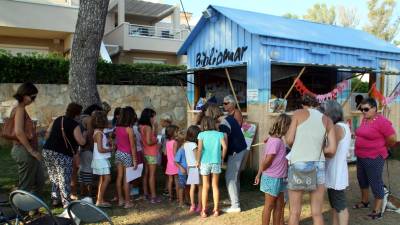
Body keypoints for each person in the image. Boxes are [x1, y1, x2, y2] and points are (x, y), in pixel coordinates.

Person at [285, 95, 337, 225]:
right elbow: (332, 149)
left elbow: (289, 140)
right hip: (318, 163)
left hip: (298, 162)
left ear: (303, 105)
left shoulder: (297, 114)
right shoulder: (327, 120)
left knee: (295, 212)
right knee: (317, 213)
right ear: (317, 104)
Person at [353, 98, 397, 219]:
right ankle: (365, 201)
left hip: (375, 156)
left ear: (374, 108)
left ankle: (377, 209)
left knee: (375, 181)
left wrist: (384, 145)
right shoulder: (365, 120)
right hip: (361, 155)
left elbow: (392, 138)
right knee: (362, 179)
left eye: (366, 109)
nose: (363, 111)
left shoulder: (382, 121)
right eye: (362, 109)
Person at [43, 103, 86, 208]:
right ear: (77, 114)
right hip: (62, 153)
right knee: (64, 177)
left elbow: (47, 134)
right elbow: (81, 142)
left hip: (48, 150)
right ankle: (66, 202)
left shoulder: (58, 119)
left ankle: (55, 199)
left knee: (54, 177)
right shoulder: (74, 125)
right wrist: (85, 134)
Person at [207, 104, 247, 213]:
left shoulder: (223, 124)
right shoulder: (228, 118)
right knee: (235, 177)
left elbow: (225, 142)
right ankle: (234, 199)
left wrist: (221, 159)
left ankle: (235, 205)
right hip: (242, 149)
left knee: (230, 177)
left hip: (236, 151)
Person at [254, 113, 291, 225]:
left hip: (280, 178)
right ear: (285, 126)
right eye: (289, 126)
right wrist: (261, 172)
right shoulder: (276, 141)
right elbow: (267, 159)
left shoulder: (276, 140)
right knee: (269, 206)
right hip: (272, 178)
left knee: (279, 206)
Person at [9, 82, 44, 194]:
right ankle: (20, 209)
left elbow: (23, 131)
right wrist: (32, 151)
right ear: (24, 96)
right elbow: (19, 132)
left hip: (24, 149)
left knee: (38, 181)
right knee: (26, 185)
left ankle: (31, 207)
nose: (33, 100)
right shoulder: (19, 109)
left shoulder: (19, 109)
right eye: (32, 97)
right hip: (24, 151)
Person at [321, 100, 351, 225]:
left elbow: (331, 151)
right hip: (335, 170)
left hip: (336, 172)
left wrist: (316, 149)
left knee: (340, 206)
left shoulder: (337, 127)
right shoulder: (341, 126)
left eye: (324, 113)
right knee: (335, 206)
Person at [197, 116, 227, 218]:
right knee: (215, 186)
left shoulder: (201, 134)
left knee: (205, 186)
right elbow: (225, 147)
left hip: (204, 162)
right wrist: (222, 158)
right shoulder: (219, 134)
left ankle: (204, 211)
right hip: (216, 162)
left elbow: (200, 149)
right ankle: (216, 210)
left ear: (204, 125)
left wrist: (197, 161)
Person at [77, 104, 103, 200]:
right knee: (88, 170)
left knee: (82, 170)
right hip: (87, 148)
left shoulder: (81, 118)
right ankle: (89, 192)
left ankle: (82, 191)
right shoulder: (89, 119)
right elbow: (90, 135)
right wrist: (93, 149)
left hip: (79, 148)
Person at [115, 107, 138, 209]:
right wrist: (135, 160)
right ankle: (127, 202)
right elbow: (133, 146)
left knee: (119, 177)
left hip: (118, 153)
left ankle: (120, 200)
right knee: (127, 179)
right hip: (127, 155)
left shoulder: (117, 127)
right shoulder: (129, 129)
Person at [91, 111, 113, 207]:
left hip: (100, 159)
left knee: (102, 179)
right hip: (101, 159)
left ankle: (100, 199)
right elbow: (100, 149)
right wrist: (110, 149)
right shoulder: (99, 133)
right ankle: (99, 200)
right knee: (107, 179)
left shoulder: (98, 132)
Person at [139, 108, 161, 203]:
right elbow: (149, 141)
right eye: (153, 116)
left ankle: (146, 193)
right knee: (152, 175)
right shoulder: (147, 127)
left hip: (145, 152)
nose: (154, 118)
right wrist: (157, 141)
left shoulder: (142, 126)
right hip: (151, 153)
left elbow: (150, 137)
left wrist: (155, 128)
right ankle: (153, 196)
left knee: (146, 174)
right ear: (149, 117)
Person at [184, 125, 202, 213]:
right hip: (196, 167)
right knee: (200, 187)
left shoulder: (185, 144)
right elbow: (197, 157)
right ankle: (199, 205)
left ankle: (192, 205)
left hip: (189, 167)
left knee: (192, 187)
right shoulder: (193, 144)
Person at [164, 125, 180, 201]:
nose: (178, 133)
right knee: (176, 181)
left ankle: (170, 197)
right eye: (176, 131)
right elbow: (175, 153)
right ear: (173, 133)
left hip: (169, 164)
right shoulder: (175, 142)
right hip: (175, 164)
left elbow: (165, 153)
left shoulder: (167, 142)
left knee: (170, 181)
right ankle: (177, 197)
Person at [175, 130, 189, 207]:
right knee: (181, 187)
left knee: (187, 187)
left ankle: (187, 200)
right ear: (184, 141)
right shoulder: (180, 150)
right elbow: (176, 161)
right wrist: (181, 168)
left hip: (188, 172)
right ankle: (181, 202)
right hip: (182, 173)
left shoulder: (188, 149)